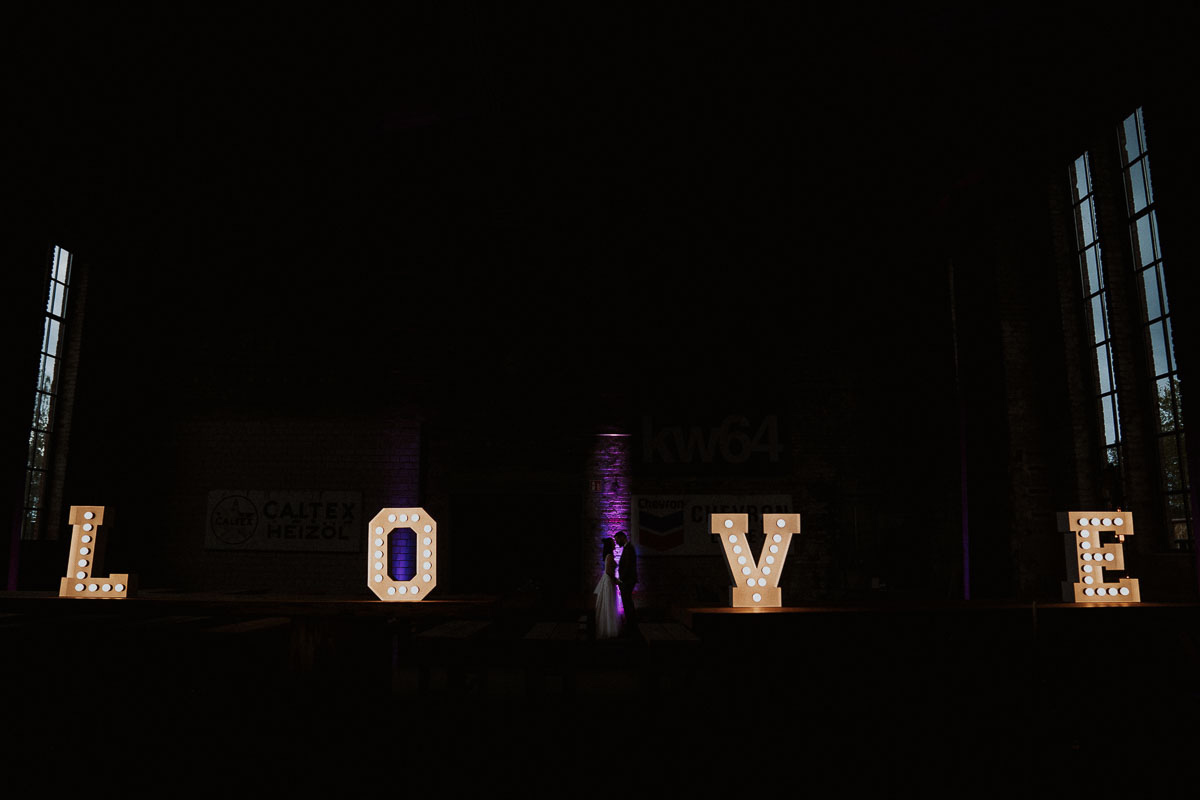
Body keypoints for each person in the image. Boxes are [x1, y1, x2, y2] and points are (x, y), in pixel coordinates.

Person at [593, 538, 620, 639]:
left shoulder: (609, 556)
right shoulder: (609, 556)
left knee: (609, 603)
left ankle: (609, 627)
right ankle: (608, 629)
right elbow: (608, 571)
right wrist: (616, 580)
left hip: (609, 580)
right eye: (613, 543)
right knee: (608, 603)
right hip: (608, 581)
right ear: (609, 545)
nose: (615, 544)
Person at [614, 530, 638, 636]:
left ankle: (631, 627)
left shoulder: (628, 549)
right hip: (628, 580)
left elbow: (627, 567)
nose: (616, 542)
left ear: (622, 537)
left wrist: (620, 580)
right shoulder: (628, 548)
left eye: (617, 539)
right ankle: (631, 625)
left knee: (627, 603)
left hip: (627, 581)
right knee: (628, 603)